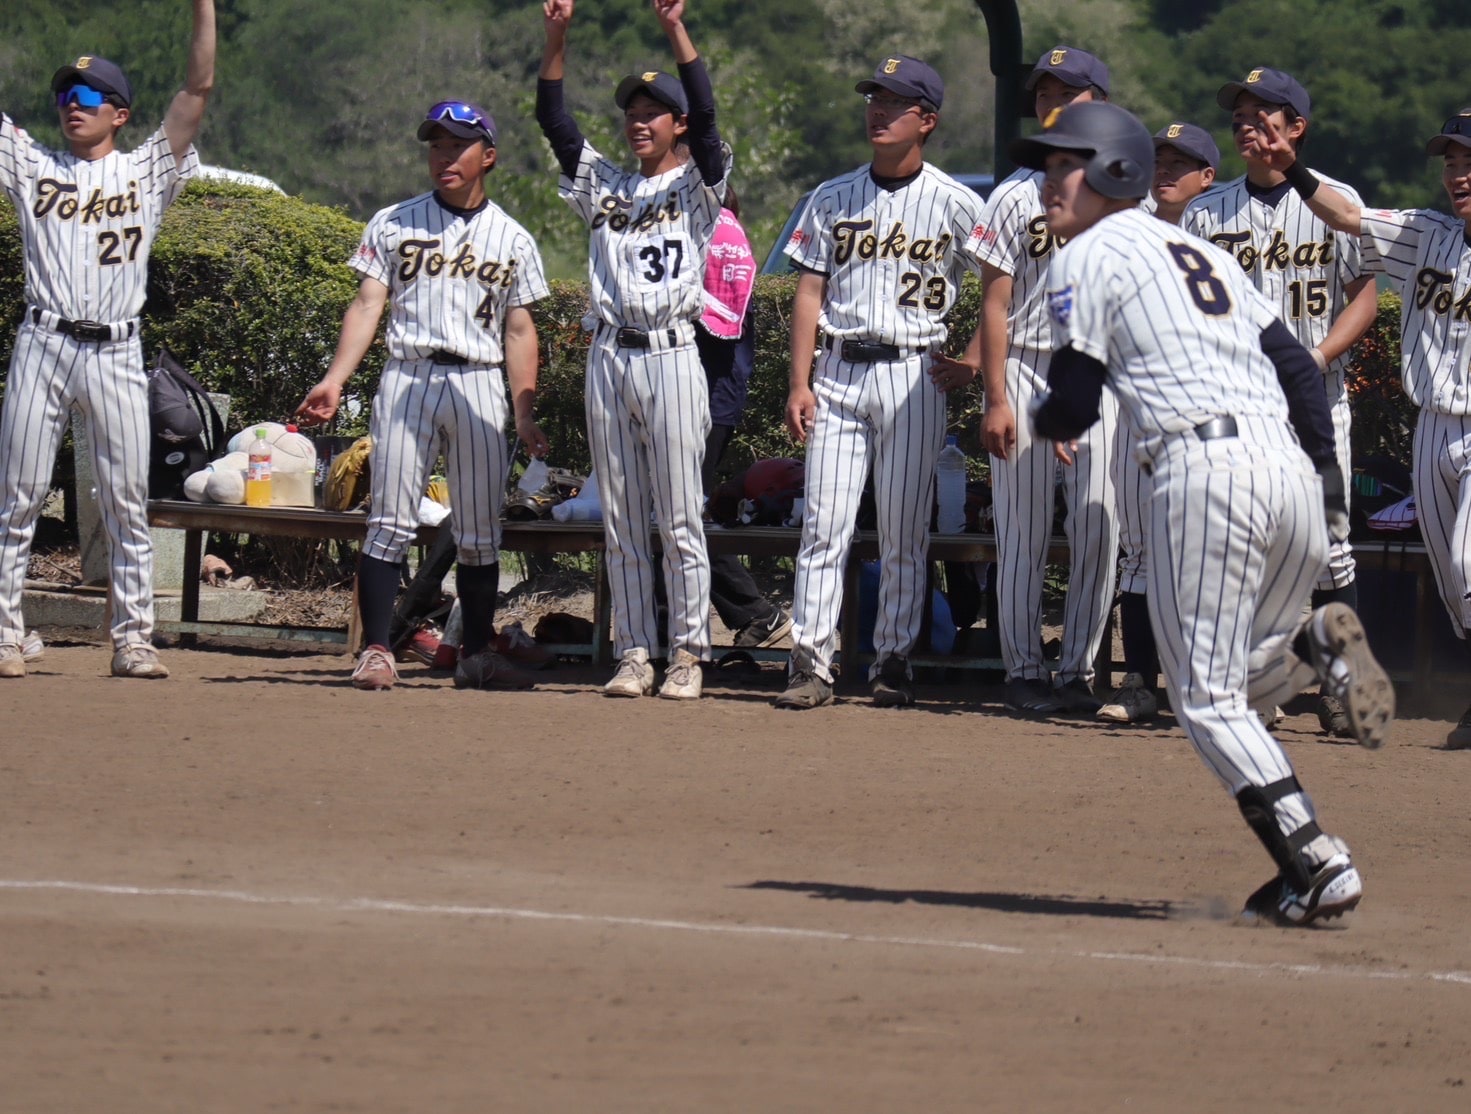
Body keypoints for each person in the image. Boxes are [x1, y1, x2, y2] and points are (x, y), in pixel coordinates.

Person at [1017, 100, 1393, 925]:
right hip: (1286, 466)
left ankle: (1317, 861)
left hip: (1201, 471)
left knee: (1205, 700)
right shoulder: (1199, 251)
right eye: (1045, 166)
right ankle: (1310, 650)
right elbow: (1297, 364)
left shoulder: (1087, 254)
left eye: (1063, 164)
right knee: (1241, 682)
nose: (1049, 181)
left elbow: (1075, 400)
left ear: (1112, 172)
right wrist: (1323, 478)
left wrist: (1028, 420)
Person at [296, 99, 550, 693]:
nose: (444, 156)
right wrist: (335, 379)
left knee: (482, 528)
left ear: (487, 155)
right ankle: (378, 649)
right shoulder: (393, 221)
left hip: (480, 380)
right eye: (436, 145)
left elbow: (519, 330)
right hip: (408, 375)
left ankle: (476, 653)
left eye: (457, 145)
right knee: (388, 519)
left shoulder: (512, 237)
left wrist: (524, 411)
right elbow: (366, 304)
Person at [0, 1, 215, 680]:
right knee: (19, 493)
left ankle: (132, 639)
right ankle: (5, 634)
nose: (73, 103)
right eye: (66, 93)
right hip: (44, 343)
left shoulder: (148, 169)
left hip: (118, 350)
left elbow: (197, 89)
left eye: (90, 95)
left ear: (120, 112)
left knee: (125, 500)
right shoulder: (31, 164)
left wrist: (205, 6)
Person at [1246, 107, 1471, 750]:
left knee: (1469, 559)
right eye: (1450, 163)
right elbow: (1346, 217)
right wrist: (1290, 165)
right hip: (1431, 424)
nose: (1456, 174)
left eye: (1468, 162)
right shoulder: (1427, 235)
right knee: (1456, 585)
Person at [773, 55, 985, 710]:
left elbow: (1006, 278)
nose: (877, 110)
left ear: (925, 119)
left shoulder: (953, 200)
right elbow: (809, 288)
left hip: (913, 372)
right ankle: (810, 663)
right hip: (838, 371)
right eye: (873, 98)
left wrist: (974, 359)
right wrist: (798, 382)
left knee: (902, 531)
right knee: (823, 528)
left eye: (893, 102)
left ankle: (893, 660)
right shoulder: (831, 195)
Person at [537, 0, 728, 700]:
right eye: (631, 110)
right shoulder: (606, 186)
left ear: (674, 124)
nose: (638, 120)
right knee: (619, 515)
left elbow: (708, 118)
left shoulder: (699, 184)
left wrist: (676, 29)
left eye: (653, 111)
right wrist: (555, 36)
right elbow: (554, 123)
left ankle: (687, 651)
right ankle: (633, 652)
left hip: (674, 354)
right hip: (609, 355)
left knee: (679, 514)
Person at [1184, 68, 1379, 740]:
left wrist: (1316, 358)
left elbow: (1366, 293)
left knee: (1330, 547)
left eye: (1262, 114)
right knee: (1245, 545)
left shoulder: (1334, 199)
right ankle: (1253, 692)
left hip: (1316, 403)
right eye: (1238, 114)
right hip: (1239, 404)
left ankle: (1342, 689)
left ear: (1295, 127)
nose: (1245, 124)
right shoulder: (1206, 212)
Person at [950, 46, 1121, 716]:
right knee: (1019, 530)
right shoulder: (1017, 191)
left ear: (1098, 101)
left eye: (1067, 89)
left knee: (1096, 527)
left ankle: (1077, 670)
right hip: (1025, 361)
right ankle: (1022, 667)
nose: (1051, 99)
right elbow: (994, 302)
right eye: (1043, 90)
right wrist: (995, 395)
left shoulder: (1119, 188)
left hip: (1100, 372)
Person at [1096, 122, 1219, 725]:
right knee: (1139, 553)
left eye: (1182, 161)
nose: (1167, 170)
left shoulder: (1225, 234)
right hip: (1138, 413)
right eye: (1160, 159)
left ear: (1207, 176)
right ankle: (1139, 681)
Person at [675, 177, 793, 649]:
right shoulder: (700, 236)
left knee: (681, 511)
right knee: (672, 510)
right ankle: (683, 618)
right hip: (696, 394)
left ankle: (756, 612)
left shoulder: (718, 236)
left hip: (708, 396)